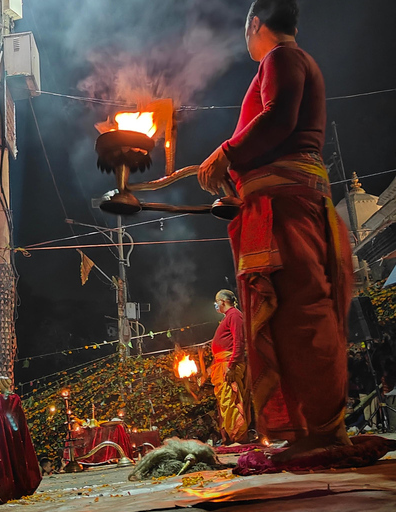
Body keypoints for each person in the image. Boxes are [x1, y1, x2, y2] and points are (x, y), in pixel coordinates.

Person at [197, 0, 353, 461]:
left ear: (254, 23)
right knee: (290, 314)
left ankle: (322, 430)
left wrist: (226, 152)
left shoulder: (280, 58)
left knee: (301, 311)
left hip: (289, 208)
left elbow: (279, 118)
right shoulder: (288, 59)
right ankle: (309, 430)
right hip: (284, 203)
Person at [209, 290, 250, 444]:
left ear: (223, 301)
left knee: (231, 400)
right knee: (225, 402)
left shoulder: (234, 315)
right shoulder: (229, 317)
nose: (215, 305)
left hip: (229, 364)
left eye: (216, 301)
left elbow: (239, 342)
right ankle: (232, 438)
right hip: (222, 364)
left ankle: (238, 438)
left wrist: (231, 366)